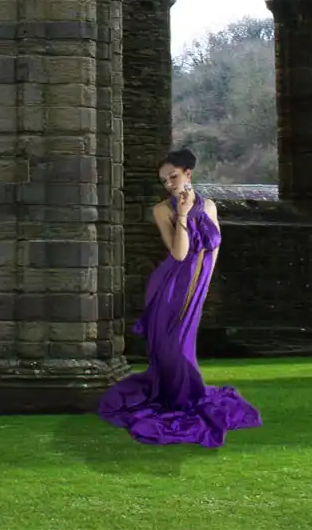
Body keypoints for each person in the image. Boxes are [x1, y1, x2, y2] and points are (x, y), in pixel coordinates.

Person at [98, 148, 261, 447]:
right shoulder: (163, 210)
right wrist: (183, 215)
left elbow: (214, 249)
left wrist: (205, 287)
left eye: (173, 176)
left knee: (183, 347)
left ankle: (182, 392)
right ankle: (174, 397)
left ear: (188, 173)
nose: (169, 184)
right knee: (172, 349)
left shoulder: (210, 207)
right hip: (171, 287)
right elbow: (179, 253)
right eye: (164, 181)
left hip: (195, 287)